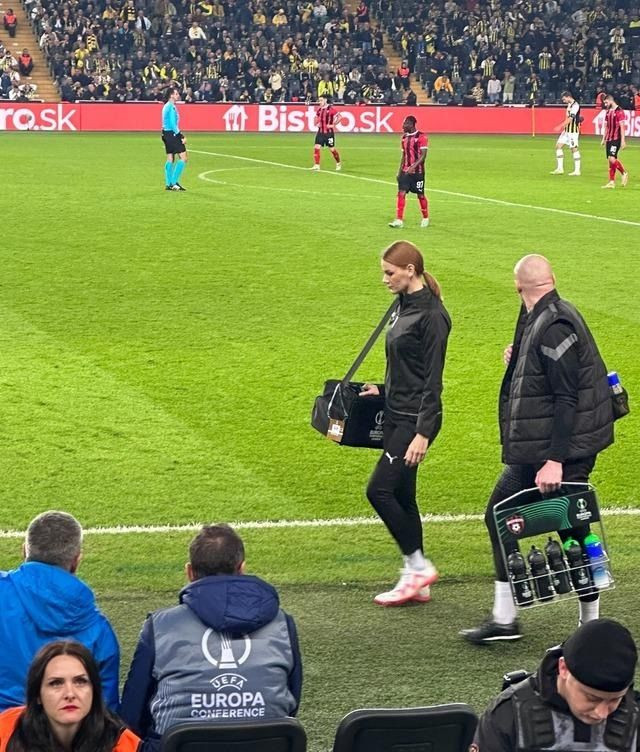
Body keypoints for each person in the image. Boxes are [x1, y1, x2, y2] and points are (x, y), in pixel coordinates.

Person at [461, 254, 615, 645]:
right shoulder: (545, 316)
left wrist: (555, 461)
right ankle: (508, 618)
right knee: (519, 519)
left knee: (572, 531)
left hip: (558, 451)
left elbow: (566, 397)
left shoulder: (551, 326)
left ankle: (585, 625)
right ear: (552, 280)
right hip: (542, 448)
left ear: (518, 288)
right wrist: (521, 357)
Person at [120, 524, 302, 751]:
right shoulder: (282, 623)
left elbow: (131, 716)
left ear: (189, 572)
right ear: (242, 568)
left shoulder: (160, 625)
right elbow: (290, 702)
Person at [360, 241, 451, 606]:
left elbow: (433, 380)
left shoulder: (432, 316)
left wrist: (423, 434)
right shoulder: (402, 306)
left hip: (414, 421)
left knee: (378, 490)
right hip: (397, 411)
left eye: (390, 273)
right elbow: (406, 367)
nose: (385, 279)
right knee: (403, 495)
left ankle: (417, 566)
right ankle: (418, 580)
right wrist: (381, 391)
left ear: (410, 270)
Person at [0, 511, 119, 711]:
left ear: (24, 551)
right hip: (66, 739)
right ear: (76, 560)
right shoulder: (101, 631)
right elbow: (106, 712)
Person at [473, 619, 640, 751]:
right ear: (563, 668)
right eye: (592, 698)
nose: (601, 713)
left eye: (614, 700)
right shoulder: (508, 715)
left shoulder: (635, 714)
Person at [0, 641, 140, 752]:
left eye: (80, 682)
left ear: (94, 690)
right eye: (56, 683)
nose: (70, 694)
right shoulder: (6, 729)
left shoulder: (123, 744)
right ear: (38, 695)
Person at [389, 115, 430, 229]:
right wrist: (399, 171)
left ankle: (425, 217)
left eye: (405, 124)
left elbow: (423, 156)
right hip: (405, 172)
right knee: (401, 193)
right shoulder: (404, 138)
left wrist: (413, 167)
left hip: (418, 173)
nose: (403, 126)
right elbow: (404, 156)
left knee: (420, 195)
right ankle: (399, 220)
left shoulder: (421, 137)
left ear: (411, 124)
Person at [161, 87, 187, 191]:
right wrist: (181, 135)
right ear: (171, 95)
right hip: (172, 134)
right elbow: (172, 124)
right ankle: (174, 182)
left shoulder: (166, 106)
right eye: (176, 94)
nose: (178, 95)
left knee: (170, 158)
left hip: (165, 134)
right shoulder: (171, 107)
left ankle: (168, 183)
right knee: (184, 158)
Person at [551, 91, 582, 177]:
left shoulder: (575, 106)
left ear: (568, 97)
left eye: (564, 99)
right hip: (567, 130)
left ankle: (577, 170)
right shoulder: (569, 105)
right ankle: (560, 169)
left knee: (574, 149)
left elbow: (571, 119)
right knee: (558, 146)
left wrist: (560, 126)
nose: (563, 101)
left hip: (573, 131)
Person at [601, 94, 628, 189]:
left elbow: (622, 127)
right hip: (609, 138)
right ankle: (611, 182)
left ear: (611, 100)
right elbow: (606, 126)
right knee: (610, 161)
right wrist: (603, 138)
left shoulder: (619, 111)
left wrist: (623, 140)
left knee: (612, 158)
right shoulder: (608, 111)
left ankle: (624, 173)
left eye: (606, 102)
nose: (605, 104)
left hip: (616, 139)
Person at [312, 95, 342, 171]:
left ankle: (338, 163)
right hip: (320, 132)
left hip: (329, 133)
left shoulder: (331, 109)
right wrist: (316, 123)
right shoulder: (319, 110)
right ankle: (317, 165)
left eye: (321, 100)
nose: (320, 102)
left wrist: (333, 124)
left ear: (325, 100)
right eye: (319, 100)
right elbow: (316, 117)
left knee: (332, 149)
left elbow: (340, 117)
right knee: (316, 147)